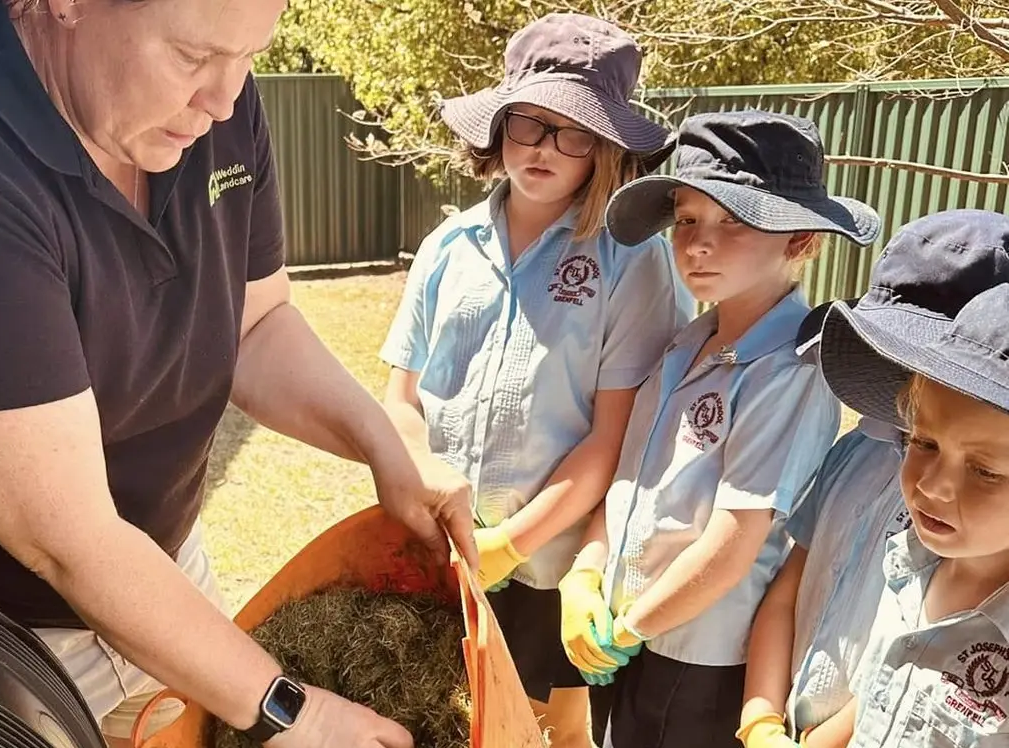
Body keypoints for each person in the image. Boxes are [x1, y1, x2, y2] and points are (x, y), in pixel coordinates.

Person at [0, 0, 479, 746]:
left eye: (247, 55)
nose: (223, 101)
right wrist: (292, 709)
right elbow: (67, 538)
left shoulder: (209, 106)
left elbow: (253, 325)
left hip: (153, 568)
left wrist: (386, 446)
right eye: (191, 58)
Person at [379, 14, 688, 747]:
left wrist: (512, 543)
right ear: (498, 127)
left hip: (550, 563)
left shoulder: (631, 260)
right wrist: (430, 502)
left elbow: (615, 438)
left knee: (553, 731)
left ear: (605, 147)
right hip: (441, 549)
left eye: (573, 131)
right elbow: (401, 400)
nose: (546, 148)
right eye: (529, 124)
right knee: (446, 717)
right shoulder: (447, 247)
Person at [563, 109, 881, 747]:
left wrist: (629, 629)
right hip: (632, 626)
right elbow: (630, 477)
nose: (697, 244)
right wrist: (586, 572)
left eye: (734, 222)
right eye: (685, 220)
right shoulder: (687, 341)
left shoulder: (790, 370)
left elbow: (736, 542)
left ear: (801, 241)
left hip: (698, 655)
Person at [737, 211, 1009, 748]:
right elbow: (889, 683)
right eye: (922, 442)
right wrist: (761, 720)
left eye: (985, 471)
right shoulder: (909, 555)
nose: (931, 486)